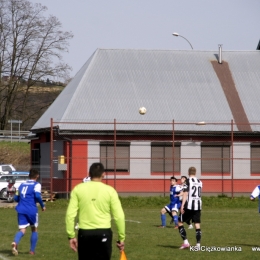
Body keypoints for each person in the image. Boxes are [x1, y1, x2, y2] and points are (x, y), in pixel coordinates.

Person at [65, 162, 125, 260]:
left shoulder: (78, 189)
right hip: (104, 232)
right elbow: (119, 216)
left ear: (89, 174)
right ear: (103, 174)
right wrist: (121, 238)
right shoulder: (110, 191)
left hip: (85, 233)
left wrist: (71, 236)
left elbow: (70, 215)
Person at [11, 168, 46, 256]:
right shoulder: (36, 184)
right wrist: (42, 205)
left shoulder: (22, 184)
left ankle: (15, 243)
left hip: (21, 209)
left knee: (22, 230)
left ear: (29, 175)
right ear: (37, 176)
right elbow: (37, 196)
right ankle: (32, 251)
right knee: (34, 229)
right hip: (31, 210)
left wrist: (22, 200)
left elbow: (15, 198)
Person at [178, 167, 202, 250]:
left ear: (188, 172)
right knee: (197, 224)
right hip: (198, 205)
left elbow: (185, 193)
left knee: (180, 222)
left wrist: (182, 205)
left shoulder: (187, 181)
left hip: (189, 206)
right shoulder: (199, 181)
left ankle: (186, 242)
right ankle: (198, 245)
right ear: (195, 172)